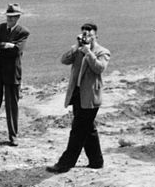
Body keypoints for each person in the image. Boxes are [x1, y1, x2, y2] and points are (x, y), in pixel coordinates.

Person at [46, 23, 110, 173]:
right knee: (88, 129)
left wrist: (88, 52)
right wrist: (76, 47)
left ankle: (65, 163)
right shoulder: (78, 50)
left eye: (89, 35)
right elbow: (64, 60)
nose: (86, 37)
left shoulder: (103, 51)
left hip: (91, 97)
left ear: (96, 36)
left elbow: (99, 68)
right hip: (77, 94)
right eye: (84, 34)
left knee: (78, 130)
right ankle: (96, 160)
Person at [0, 3, 31, 146]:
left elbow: (17, 51)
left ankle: (13, 136)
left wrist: (2, 45)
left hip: (12, 73)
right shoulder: (0, 28)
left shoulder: (23, 32)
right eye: (8, 17)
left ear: (18, 17)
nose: (10, 19)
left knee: (12, 105)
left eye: (12, 17)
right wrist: (6, 45)